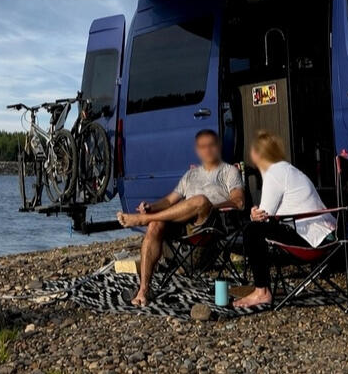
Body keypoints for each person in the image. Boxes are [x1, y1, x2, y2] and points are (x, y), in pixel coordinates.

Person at [116, 129, 244, 307]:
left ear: (218, 147)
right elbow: (169, 201)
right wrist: (151, 207)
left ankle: (142, 220)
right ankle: (143, 290)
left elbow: (239, 201)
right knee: (155, 225)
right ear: (198, 150)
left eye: (211, 145)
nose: (207, 150)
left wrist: (209, 206)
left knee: (200, 200)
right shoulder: (191, 175)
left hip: (210, 223)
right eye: (202, 146)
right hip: (184, 224)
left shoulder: (229, 172)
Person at [233, 130, 336, 308]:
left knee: (252, 231)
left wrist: (253, 215)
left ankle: (261, 292)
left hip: (311, 237)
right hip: (324, 233)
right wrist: (258, 215)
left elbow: (263, 217)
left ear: (257, 154)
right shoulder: (287, 169)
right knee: (257, 228)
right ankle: (261, 290)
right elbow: (267, 214)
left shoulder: (274, 173)